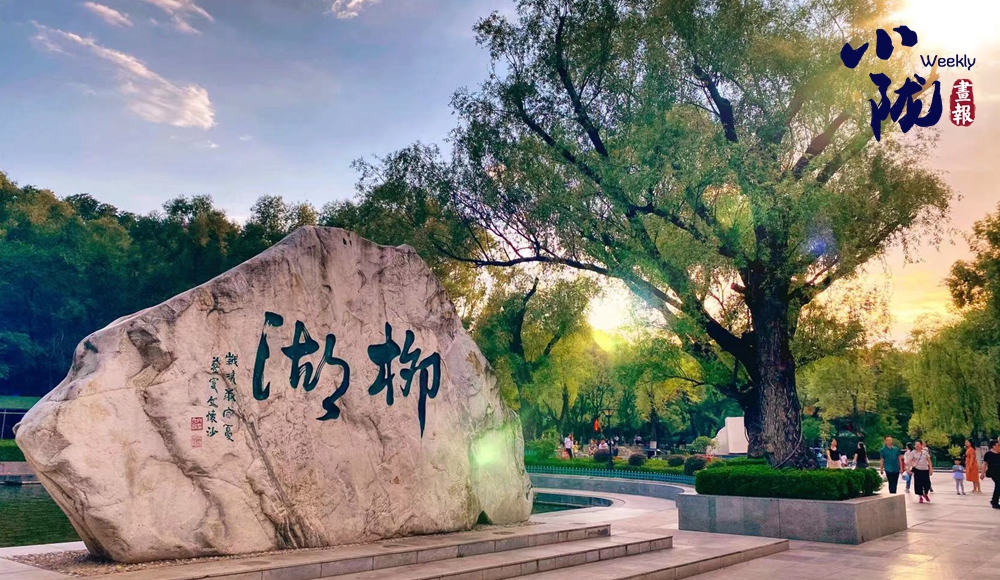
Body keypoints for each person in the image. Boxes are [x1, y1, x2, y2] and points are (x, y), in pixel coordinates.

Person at [982, 440, 1000, 509]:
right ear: (993, 446)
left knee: (998, 486)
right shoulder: (988, 454)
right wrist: (982, 473)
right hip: (993, 473)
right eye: (998, 445)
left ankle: (994, 500)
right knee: (998, 486)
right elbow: (984, 464)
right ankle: (995, 502)